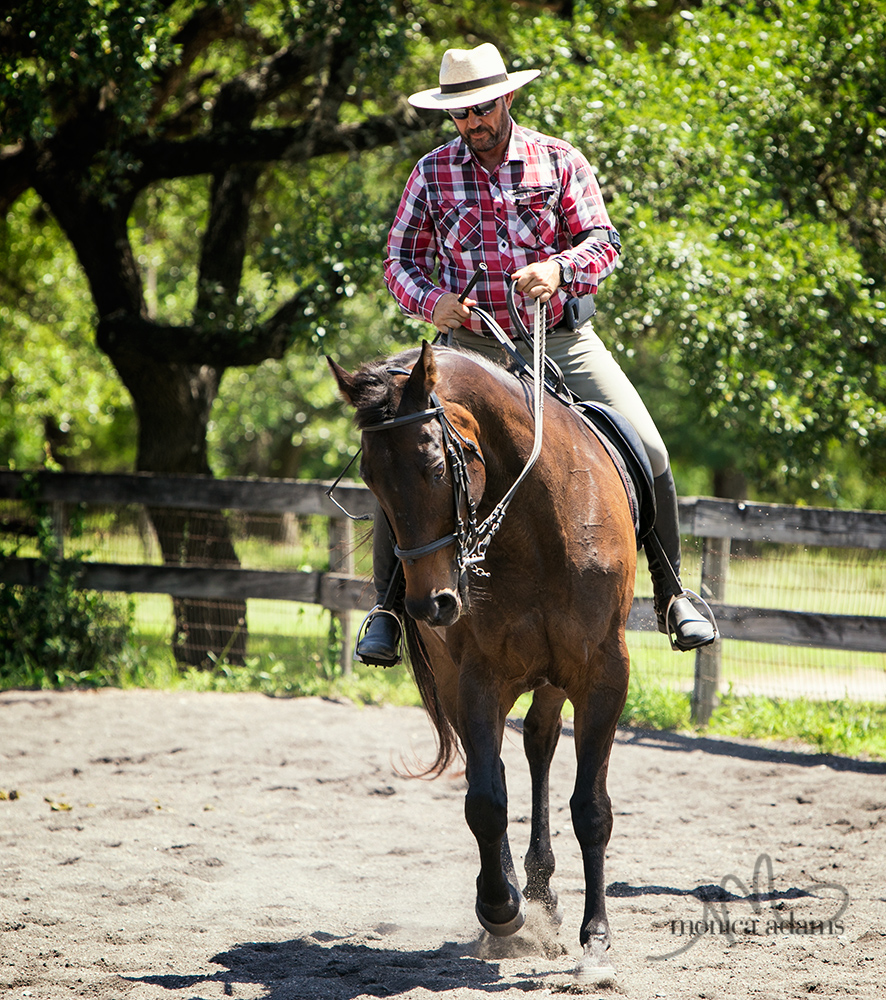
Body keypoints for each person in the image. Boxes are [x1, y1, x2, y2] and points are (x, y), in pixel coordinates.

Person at [355, 42, 716, 665]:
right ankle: (387, 611)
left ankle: (674, 594)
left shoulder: (558, 160)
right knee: (405, 458)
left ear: (508, 99)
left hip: (561, 339)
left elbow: (604, 242)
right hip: (469, 352)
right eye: (460, 113)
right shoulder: (431, 173)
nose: (473, 123)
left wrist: (558, 268)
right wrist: (431, 301)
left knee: (649, 448)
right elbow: (398, 264)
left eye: (482, 108)